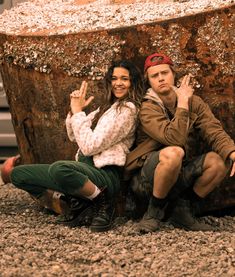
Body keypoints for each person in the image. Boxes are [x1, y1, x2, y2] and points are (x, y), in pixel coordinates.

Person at [10, 60, 144, 232]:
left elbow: (89, 146)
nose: (118, 83)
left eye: (124, 79)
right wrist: (74, 111)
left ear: (133, 82)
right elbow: (74, 136)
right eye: (114, 78)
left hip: (104, 175)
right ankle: (76, 201)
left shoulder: (127, 111)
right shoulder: (106, 108)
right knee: (18, 174)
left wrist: (78, 112)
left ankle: (102, 202)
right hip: (82, 171)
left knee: (60, 169)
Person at [125, 52, 235, 233]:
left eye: (164, 73)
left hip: (178, 174)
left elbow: (212, 129)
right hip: (146, 181)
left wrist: (231, 152)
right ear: (149, 81)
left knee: (220, 160)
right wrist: (183, 102)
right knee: (174, 152)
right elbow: (173, 139)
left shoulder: (194, 102)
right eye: (155, 75)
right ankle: (153, 212)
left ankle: (182, 211)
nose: (160, 78)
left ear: (173, 75)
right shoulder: (147, 107)